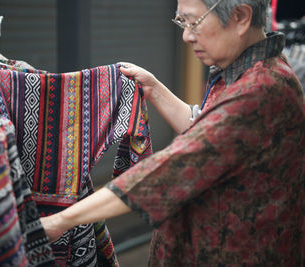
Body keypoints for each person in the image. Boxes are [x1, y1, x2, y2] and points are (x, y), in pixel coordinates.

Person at [41, 0, 305, 265]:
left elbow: (174, 168)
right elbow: (207, 131)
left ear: (241, 17)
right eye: (182, 22)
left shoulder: (260, 90)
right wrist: (153, 88)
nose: (187, 36)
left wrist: (61, 220)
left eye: (194, 22)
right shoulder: (247, 70)